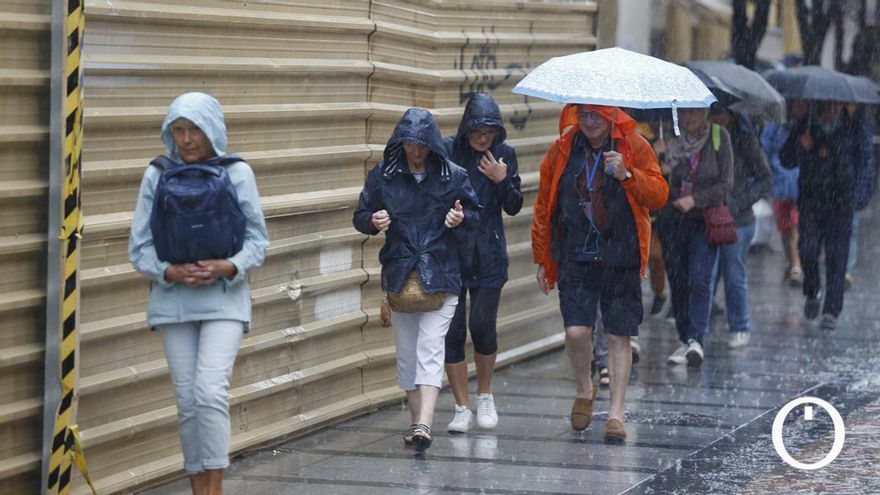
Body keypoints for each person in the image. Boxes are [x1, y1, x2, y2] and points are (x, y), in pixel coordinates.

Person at [128, 92, 269, 495]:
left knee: (209, 392)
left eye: (195, 130)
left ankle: (215, 488)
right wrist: (167, 270)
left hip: (225, 296)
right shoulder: (156, 174)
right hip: (172, 300)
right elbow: (138, 247)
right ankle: (198, 487)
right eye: (179, 130)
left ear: (213, 131)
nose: (187, 139)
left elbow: (258, 240)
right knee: (187, 402)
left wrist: (229, 266)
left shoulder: (238, 172)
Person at [532, 104, 667, 443]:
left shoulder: (635, 146)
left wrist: (628, 175)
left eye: (596, 115)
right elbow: (544, 205)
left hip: (619, 254)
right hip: (575, 253)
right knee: (577, 331)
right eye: (584, 115)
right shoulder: (562, 149)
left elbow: (659, 195)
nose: (589, 122)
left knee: (619, 336)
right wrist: (541, 257)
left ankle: (616, 414)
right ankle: (584, 387)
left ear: (610, 117)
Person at [353, 108, 481, 452]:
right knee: (408, 355)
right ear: (400, 142)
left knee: (429, 347)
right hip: (399, 275)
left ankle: (424, 423)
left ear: (433, 144)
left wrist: (460, 218)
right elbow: (360, 214)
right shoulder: (384, 175)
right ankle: (417, 426)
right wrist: (373, 221)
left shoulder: (452, 175)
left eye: (422, 145)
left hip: (442, 273)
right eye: (410, 144)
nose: (416, 151)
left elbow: (475, 213)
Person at [443, 94, 522, 433]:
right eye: (478, 129)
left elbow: (515, 206)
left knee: (482, 325)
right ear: (467, 126)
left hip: (489, 253)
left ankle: (485, 394)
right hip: (452, 254)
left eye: (490, 130)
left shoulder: (504, 155)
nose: (483, 137)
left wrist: (502, 179)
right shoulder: (449, 152)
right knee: (453, 331)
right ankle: (461, 406)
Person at [781, 101, 875, 330]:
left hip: (841, 201)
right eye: (829, 105)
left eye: (837, 105)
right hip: (812, 199)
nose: (833, 109)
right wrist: (799, 144)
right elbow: (786, 158)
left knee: (836, 255)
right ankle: (812, 290)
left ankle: (832, 310)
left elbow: (865, 166)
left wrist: (858, 199)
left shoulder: (856, 128)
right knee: (807, 249)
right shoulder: (806, 125)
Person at [657, 107, 733, 367]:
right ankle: (685, 336)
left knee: (699, 279)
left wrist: (696, 199)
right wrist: (662, 165)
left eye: (695, 112)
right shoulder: (668, 139)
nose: (689, 118)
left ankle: (696, 339)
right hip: (672, 221)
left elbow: (726, 184)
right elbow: (658, 184)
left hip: (703, 221)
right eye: (684, 113)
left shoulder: (718, 137)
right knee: (678, 281)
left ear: (706, 112)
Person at [708, 109, 772, 349]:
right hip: (709, 215)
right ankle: (697, 330)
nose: (716, 119)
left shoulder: (745, 140)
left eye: (720, 114)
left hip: (738, 219)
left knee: (734, 274)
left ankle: (740, 325)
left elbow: (765, 178)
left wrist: (736, 203)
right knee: (706, 275)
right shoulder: (706, 137)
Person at [761, 100, 807, 287]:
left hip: (800, 183)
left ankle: (796, 265)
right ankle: (792, 262)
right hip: (779, 183)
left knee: (794, 225)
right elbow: (765, 148)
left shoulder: (809, 126)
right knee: (785, 227)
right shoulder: (776, 126)